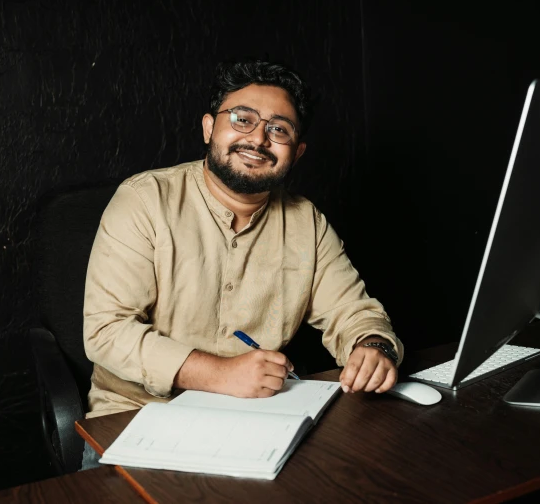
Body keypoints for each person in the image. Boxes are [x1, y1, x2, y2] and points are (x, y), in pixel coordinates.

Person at [82, 59, 403, 429]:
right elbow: (106, 332)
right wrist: (218, 373)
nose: (258, 139)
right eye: (242, 119)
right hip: (137, 414)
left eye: (279, 129)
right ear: (208, 128)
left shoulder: (307, 223)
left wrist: (373, 347)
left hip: (256, 417)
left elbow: (353, 311)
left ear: (296, 152)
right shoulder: (144, 200)